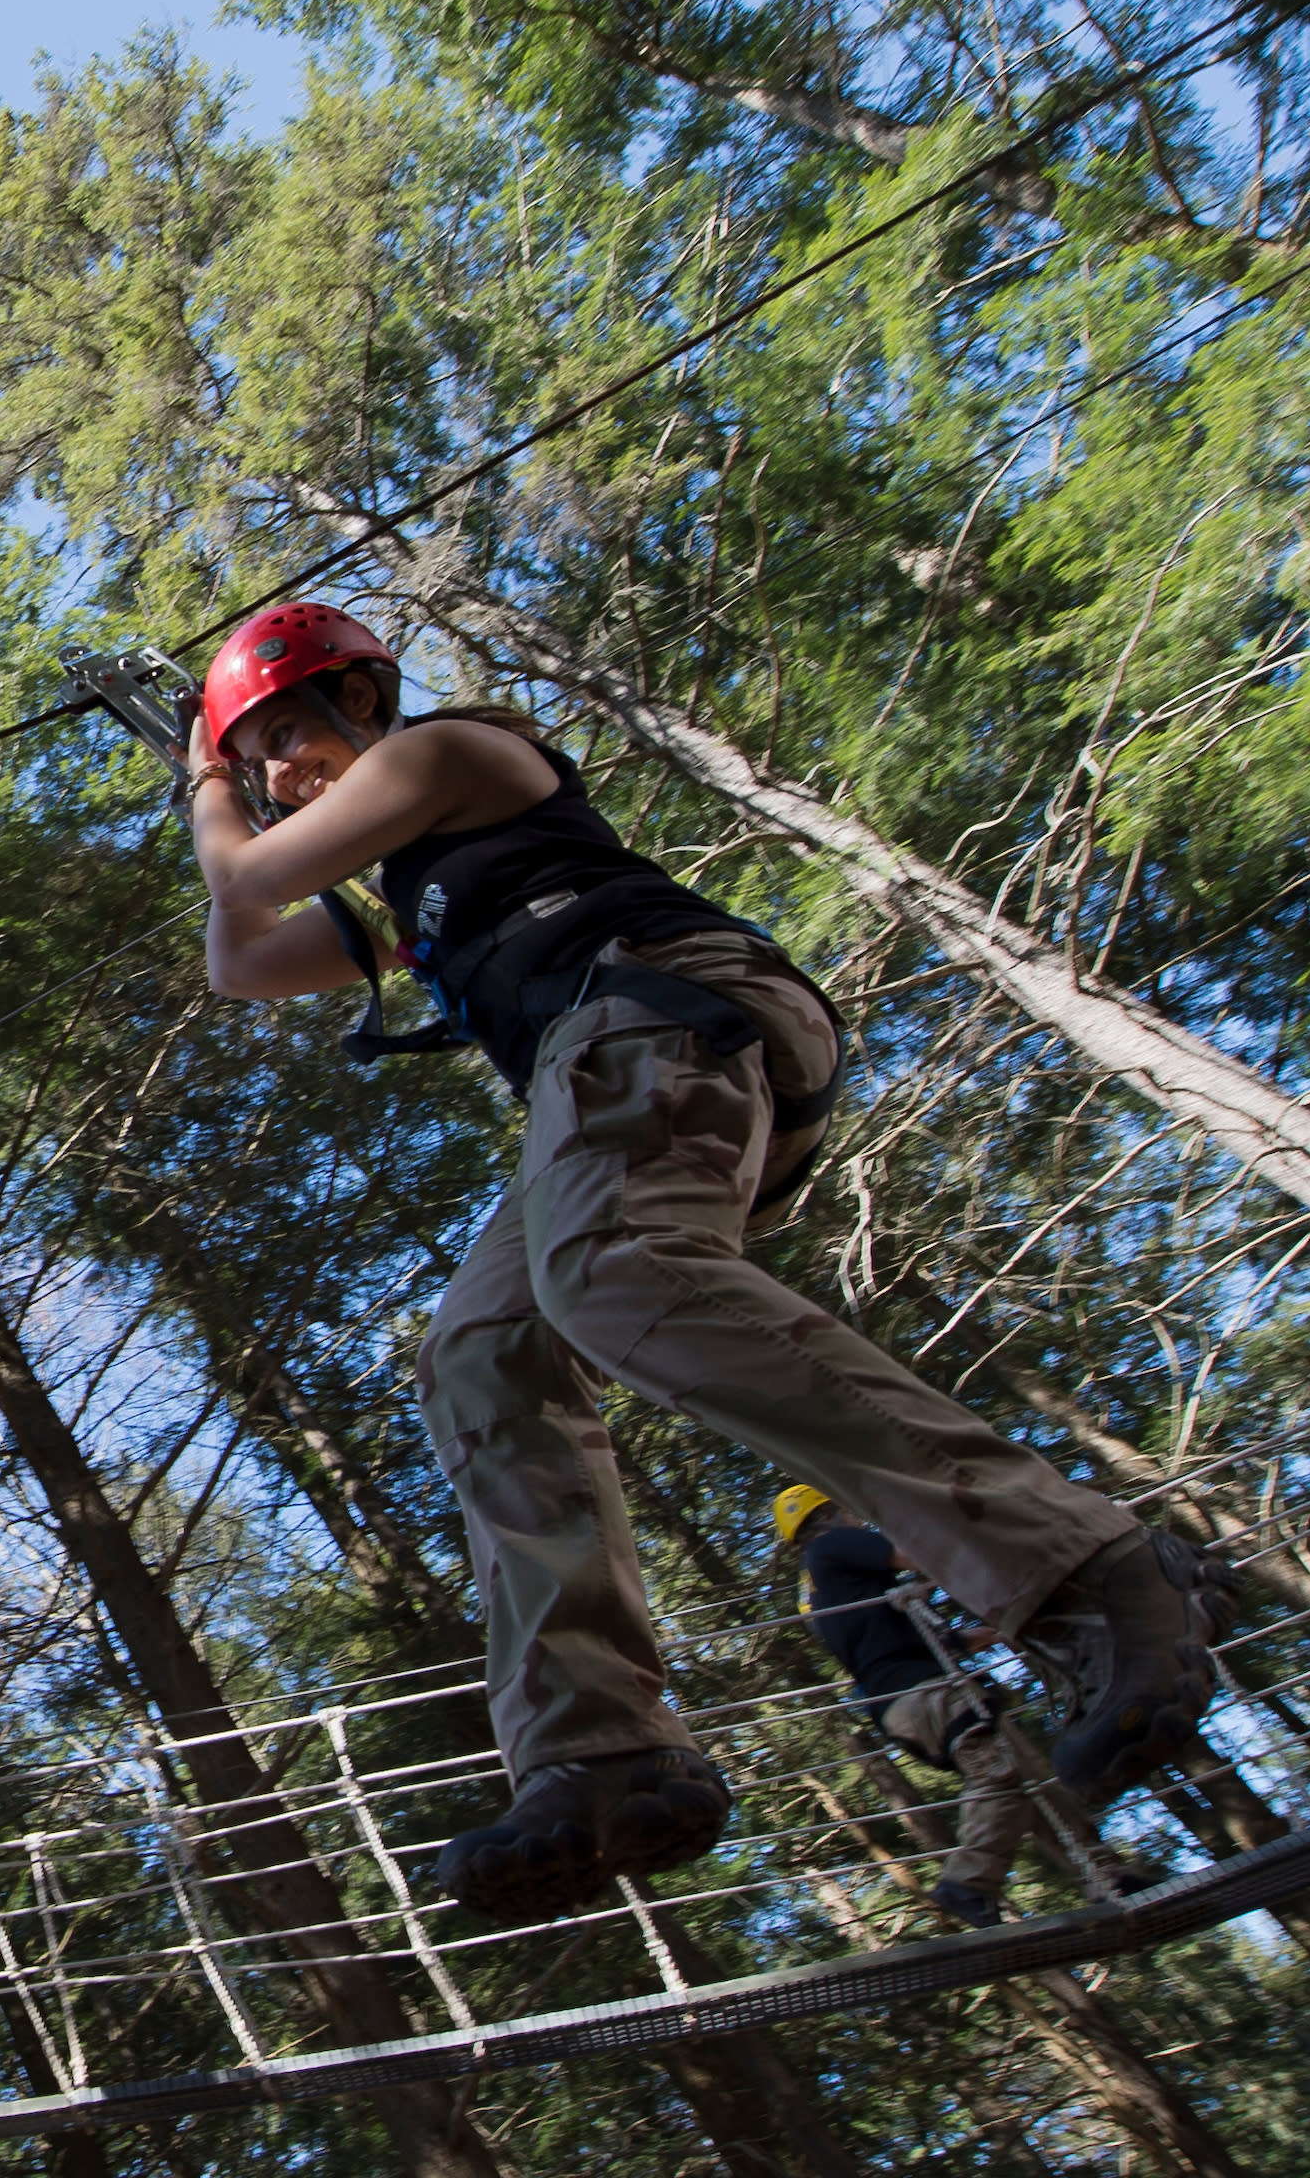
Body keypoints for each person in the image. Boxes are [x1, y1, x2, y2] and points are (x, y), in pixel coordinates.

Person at [178, 599, 1224, 1914]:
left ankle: (1084, 1570)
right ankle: (600, 1751)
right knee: (482, 1354)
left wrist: (210, 785)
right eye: (255, 754)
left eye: (289, 732)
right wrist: (211, 786)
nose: (279, 772)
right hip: (616, 1067)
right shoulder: (406, 898)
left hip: (660, 1006)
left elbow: (249, 879)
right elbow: (240, 958)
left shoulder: (455, 752)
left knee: (609, 1267)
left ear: (364, 700)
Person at [779, 1482, 1052, 1929]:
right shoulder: (831, 1544)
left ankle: (1105, 1870)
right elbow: (917, 1555)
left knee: (1029, 1783)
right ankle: (968, 1884)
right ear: (825, 1514)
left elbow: (945, 1640)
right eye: (849, 1509)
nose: (858, 1518)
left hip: (904, 1701)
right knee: (999, 1775)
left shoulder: (831, 1591)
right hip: (923, 1690)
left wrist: (1007, 1629)